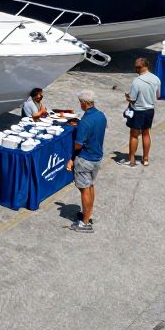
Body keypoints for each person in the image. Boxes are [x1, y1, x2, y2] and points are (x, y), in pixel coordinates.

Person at [66, 89, 106, 233]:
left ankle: (85, 223)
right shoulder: (102, 116)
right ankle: (88, 215)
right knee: (90, 186)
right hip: (97, 157)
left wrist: (72, 157)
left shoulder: (85, 121)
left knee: (84, 190)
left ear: (83, 103)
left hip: (85, 159)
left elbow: (78, 144)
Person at [119, 58, 160, 167]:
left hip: (138, 111)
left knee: (134, 135)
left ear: (140, 68)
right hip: (150, 110)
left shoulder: (137, 81)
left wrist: (127, 97)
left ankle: (131, 160)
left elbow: (132, 98)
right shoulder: (156, 79)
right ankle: (145, 159)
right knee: (146, 134)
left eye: (136, 67)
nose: (135, 68)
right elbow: (157, 96)